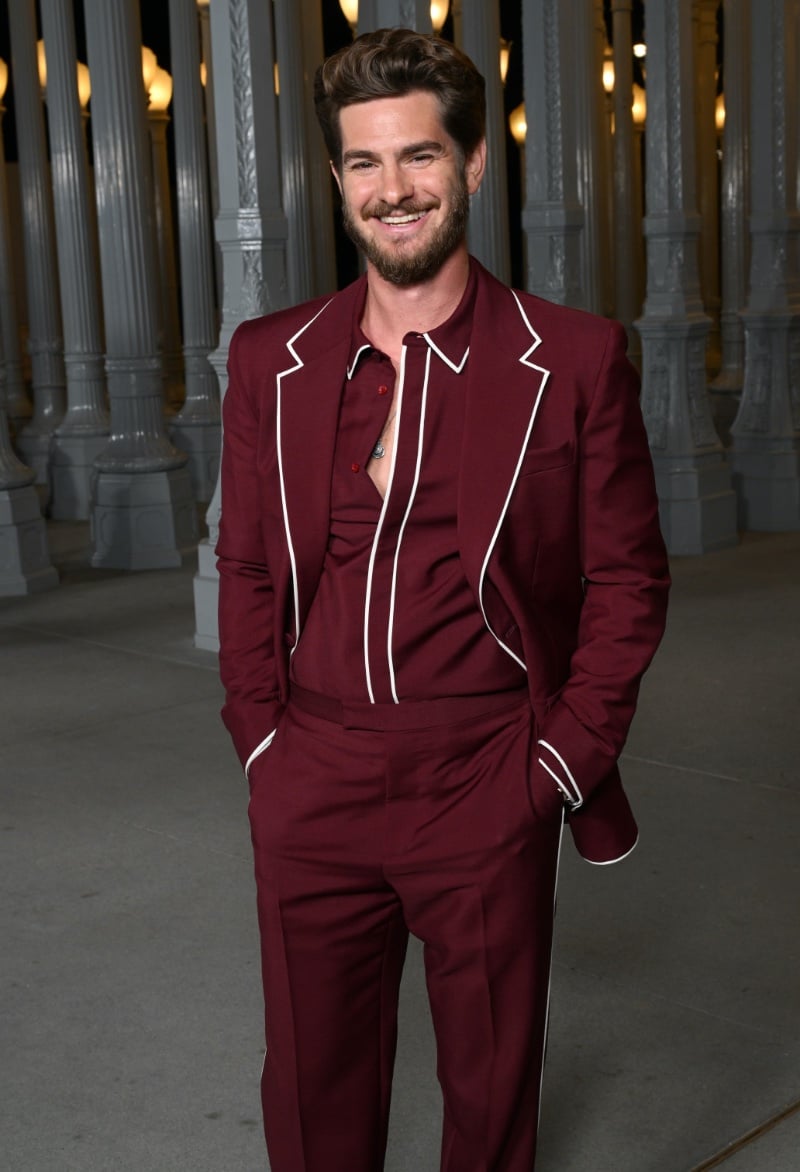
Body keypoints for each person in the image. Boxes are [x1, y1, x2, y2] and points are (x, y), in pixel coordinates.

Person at [217, 27, 669, 1172]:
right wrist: (259, 734)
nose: (392, 189)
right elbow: (248, 565)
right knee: (312, 1094)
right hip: (310, 770)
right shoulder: (270, 358)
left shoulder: (568, 358)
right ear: (335, 181)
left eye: (418, 157)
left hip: (481, 771)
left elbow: (626, 577)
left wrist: (551, 766)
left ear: (470, 164)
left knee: (487, 1090)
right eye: (364, 163)